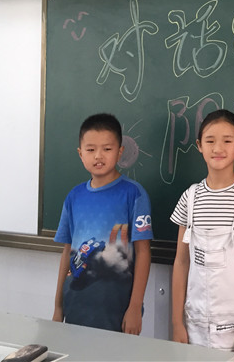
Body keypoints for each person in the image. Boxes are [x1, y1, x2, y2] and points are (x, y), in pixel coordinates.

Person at [171, 109, 234, 362]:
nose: (218, 148)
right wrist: (177, 323)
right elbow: (181, 262)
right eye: (210, 140)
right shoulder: (190, 197)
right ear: (199, 146)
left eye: (227, 140)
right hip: (194, 327)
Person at [52, 113, 153, 333]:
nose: (98, 156)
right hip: (75, 305)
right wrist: (58, 307)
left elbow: (143, 252)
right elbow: (67, 251)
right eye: (90, 149)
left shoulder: (134, 194)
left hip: (116, 310)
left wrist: (135, 307)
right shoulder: (74, 197)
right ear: (80, 153)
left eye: (107, 149)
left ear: (120, 151)